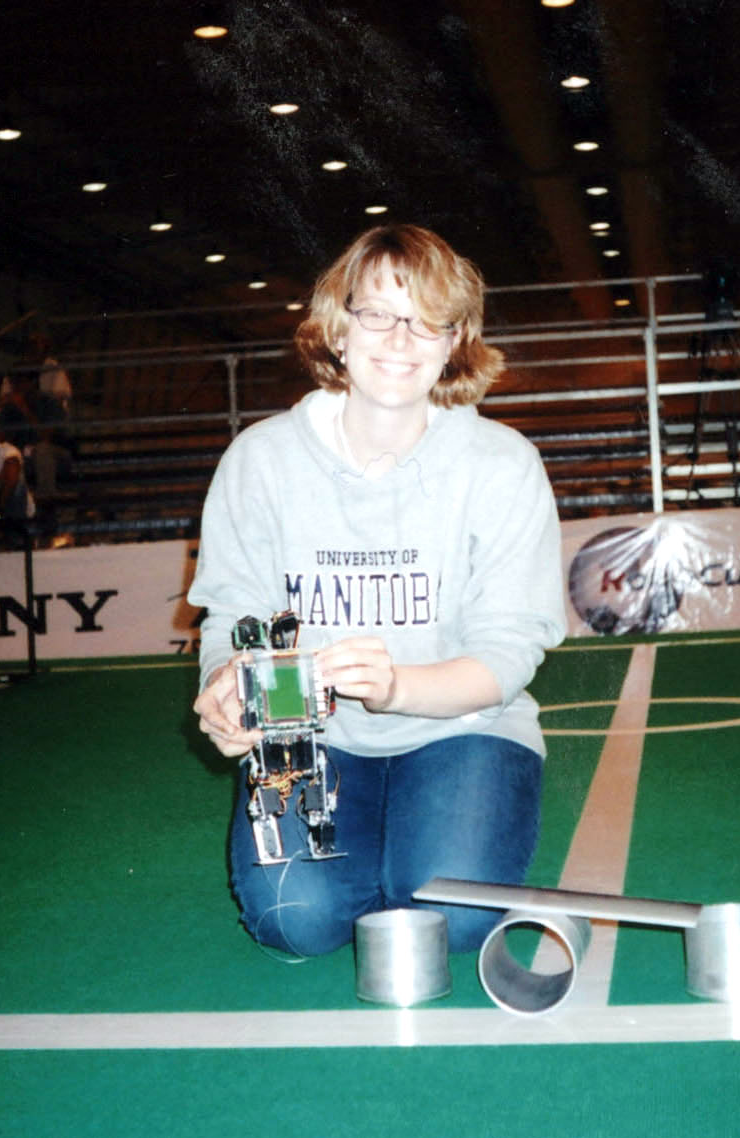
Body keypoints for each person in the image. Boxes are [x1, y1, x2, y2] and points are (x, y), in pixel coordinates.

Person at [189, 224, 566, 959]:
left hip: (466, 728)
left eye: (428, 320)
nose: (400, 339)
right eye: (377, 314)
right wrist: (224, 690)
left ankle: (431, 837)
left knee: (448, 919)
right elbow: (233, 614)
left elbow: (507, 652)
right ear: (338, 327)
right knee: (297, 919)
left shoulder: (503, 465)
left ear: (455, 341)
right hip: (309, 736)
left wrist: (396, 688)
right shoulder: (259, 460)